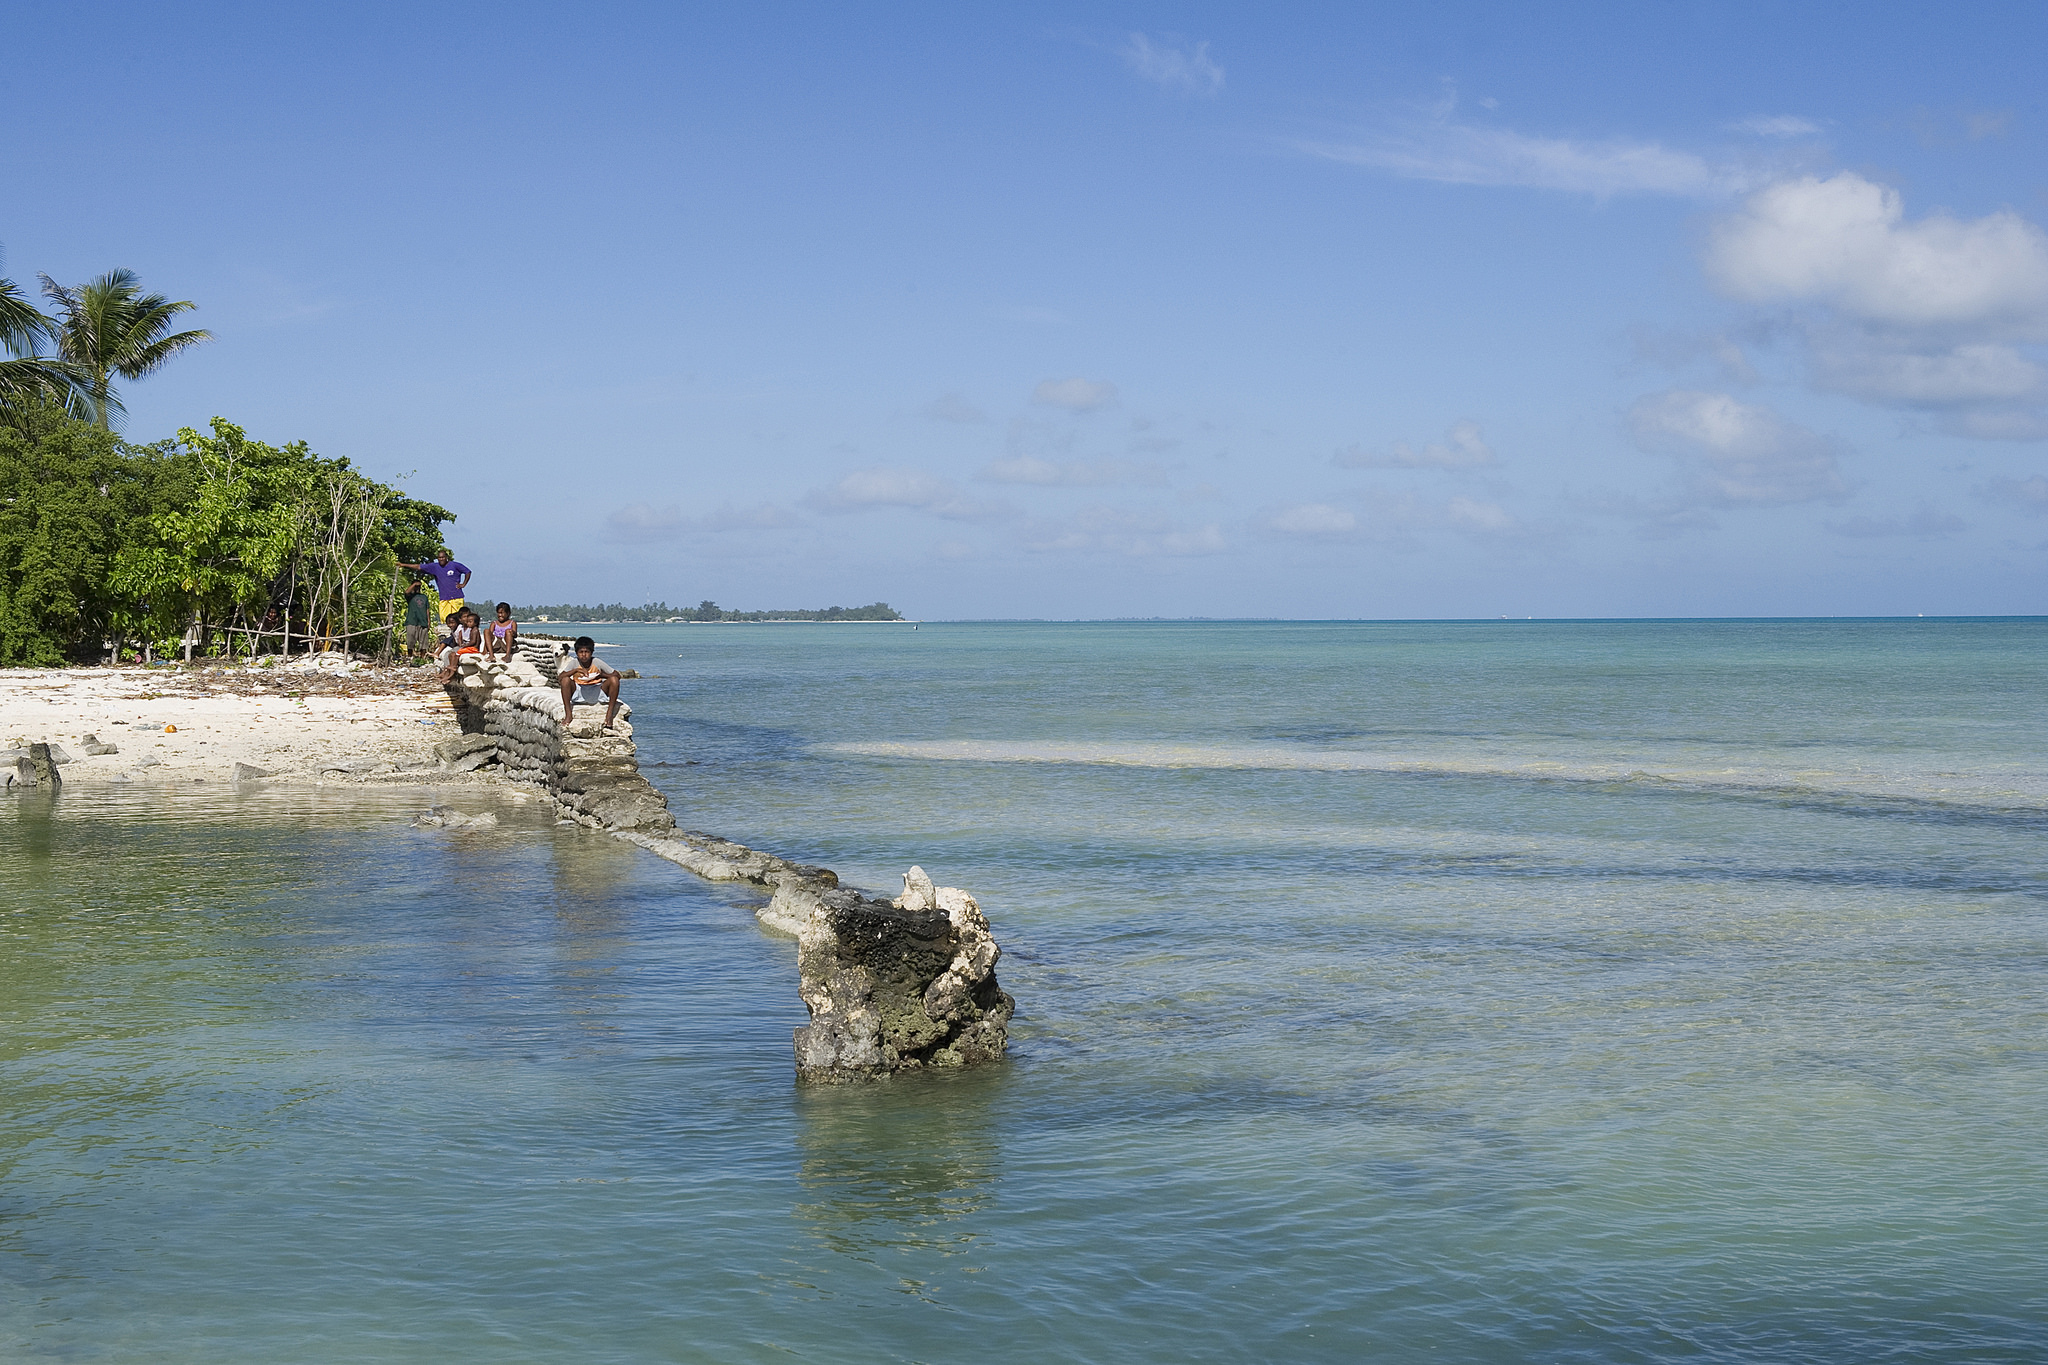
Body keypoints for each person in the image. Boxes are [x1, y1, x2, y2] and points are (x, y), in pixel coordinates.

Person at [558, 635, 621, 731]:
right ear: (576, 653)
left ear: (591, 653)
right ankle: (568, 715)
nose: (584, 655)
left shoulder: (596, 662)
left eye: (586, 652)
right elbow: (560, 678)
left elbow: (617, 675)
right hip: (579, 690)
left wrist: (601, 675)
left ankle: (609, 715)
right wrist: (575, 671)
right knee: (565, 680)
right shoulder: (575, 663)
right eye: (581, 652)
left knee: (614, 680)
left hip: (597, 690)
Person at [398, 548, 472, 622]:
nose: (441, 559)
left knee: (459, 619)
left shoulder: (455, 565)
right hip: (444, 598)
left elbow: (467, 572)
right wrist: (403, 564)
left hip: (456, 597)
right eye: (439, 558)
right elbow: (419, 566)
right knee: (445, 619)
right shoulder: (435, 567)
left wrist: (463, 584)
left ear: (446, 557)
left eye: (443, 557)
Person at [437, 608, 481, 681]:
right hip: (464, 646)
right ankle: (447, 670)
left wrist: (464, 646)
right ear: (460, 619)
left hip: (470, 647)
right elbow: (459, 639)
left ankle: (452, 671)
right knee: (449, 654)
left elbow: (473, 641)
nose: (467, 619)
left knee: (454, 654)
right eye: (465, 617)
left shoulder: (473, 629)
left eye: (468, 617)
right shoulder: (463, 628)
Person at [402, 580, 434, 660]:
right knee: (410, 640)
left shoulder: (424, 597)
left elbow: (427, 610)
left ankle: (422, 657)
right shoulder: (410, 596)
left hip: (423, 621)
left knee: (423, 642)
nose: (417, 588)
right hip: (412, 621)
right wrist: (414, 584)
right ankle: (410, 657)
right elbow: (406, 592)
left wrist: (429, 621)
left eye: (418, 586)